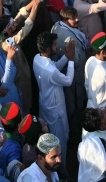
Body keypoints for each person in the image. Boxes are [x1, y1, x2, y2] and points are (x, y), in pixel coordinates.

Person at [33, 32, 75, 165]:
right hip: (56, 111)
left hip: (46, 105)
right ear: (47, 49)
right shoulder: (51, 71)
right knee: (60, 143)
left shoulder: (37, 58)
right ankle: (61, 169)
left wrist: (65, 57)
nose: (57, 46)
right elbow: (68, 80)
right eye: (55, 45)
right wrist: (71, 60)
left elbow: (54, 66)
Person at [86, 32, 106, 110]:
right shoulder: (103, 74)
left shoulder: (90, 60)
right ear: (103, 52)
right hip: (100, 114)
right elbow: (102, 104)